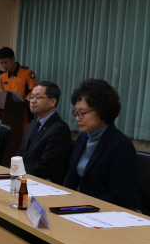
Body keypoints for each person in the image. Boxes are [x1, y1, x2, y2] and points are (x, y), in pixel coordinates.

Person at [64, 79, 141, 210]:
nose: (77, 118)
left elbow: (117, 195)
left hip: (107, 211)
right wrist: (62, 201)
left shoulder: (121, 146)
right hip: (80, 205)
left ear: (102, 110)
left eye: (82, 112)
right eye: (76, 113)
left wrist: (80, 208)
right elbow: (72, 178)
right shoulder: (83, 138)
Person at [17, 81, 72, 184]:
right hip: (24, 178)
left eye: (38, 97)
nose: (32, 101)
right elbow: (21, 154)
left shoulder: (59, 129)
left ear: (52, 102)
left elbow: (46, 165)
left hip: (42, 183)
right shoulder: (33, 125)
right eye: (31, 97)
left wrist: (21, 178)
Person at [0, 47, 37, 136]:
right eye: (1, 63)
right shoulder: (3, 76)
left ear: (13, 59)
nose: (4, 65)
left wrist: (25, 101)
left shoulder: (27, 72)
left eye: (6, 62)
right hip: (8, 111)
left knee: (23, 136)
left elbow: (34, 91)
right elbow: (1, 93)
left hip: (23, 110)